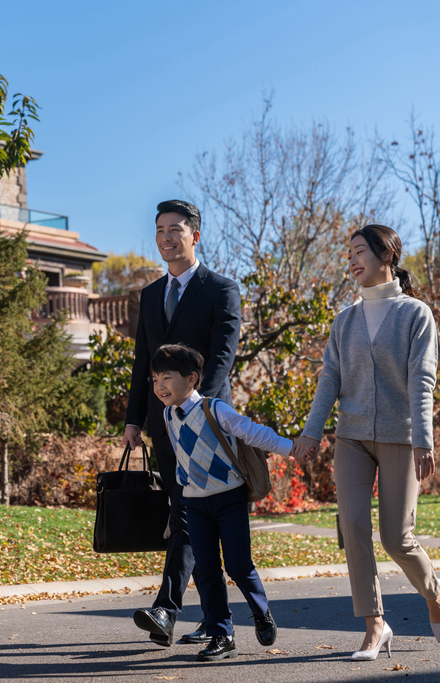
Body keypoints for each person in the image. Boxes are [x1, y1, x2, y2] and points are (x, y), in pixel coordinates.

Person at [292, 224, 440, 661]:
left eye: (359, 251)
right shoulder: (345, 320)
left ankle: (433, 592)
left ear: (387, 255)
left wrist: (424, 440)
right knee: (354, 529)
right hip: (352, 437)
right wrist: (311, 432)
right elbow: (331, 380)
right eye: (349, 254)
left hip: (401, 437)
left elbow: (422, 380)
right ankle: (374, 626)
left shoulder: (416, 315)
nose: (352, 260)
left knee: (396, 537)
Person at [124, 199, 242, 647]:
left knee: (191, 515)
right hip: (162, 424)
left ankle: (167, 609)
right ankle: (213, 619)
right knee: (188, 514)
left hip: (207, 424)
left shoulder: (221, 289)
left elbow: (222, 356)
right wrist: (135, 417)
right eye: (159, 230)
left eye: (175, 229)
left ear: (195, 235)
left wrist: (196, 405)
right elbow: (142, 362)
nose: (166, 237)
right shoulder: (151, 294)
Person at [151, 343, 289, 661]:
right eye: (156, 379)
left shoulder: (215, 409)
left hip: (229, 500)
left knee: (239, 566)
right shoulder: (168, 414)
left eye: (167, 378)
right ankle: (222, 635)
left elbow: (253, 433)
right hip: (195, 504)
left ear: (192, 379)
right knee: (208, 572)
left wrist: (290, 447)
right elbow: (183, 459)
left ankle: (261, 612)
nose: (160, 386)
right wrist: (179, 502)